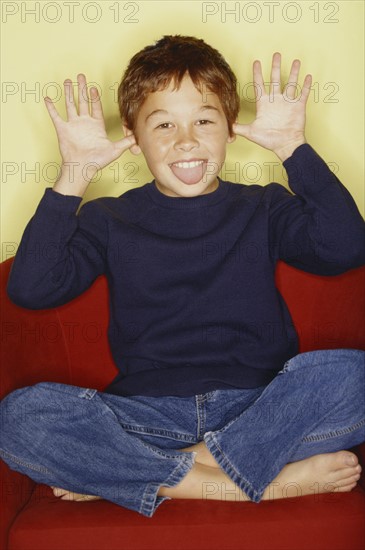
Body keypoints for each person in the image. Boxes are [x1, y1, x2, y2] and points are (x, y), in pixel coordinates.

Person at [0, 35, 364, 518]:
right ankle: (261, 483)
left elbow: (345, 247)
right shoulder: (108, 219)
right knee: (21, 417)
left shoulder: (264, 206)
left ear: (230, 128)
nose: (186, 140)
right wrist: (76, 172)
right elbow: (31, 289)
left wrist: (293, 147)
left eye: (205, 121)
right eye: (164, 124)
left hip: (262, 409)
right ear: (132, 135)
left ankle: (137, 474)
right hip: (148, 416)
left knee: (354, 376)